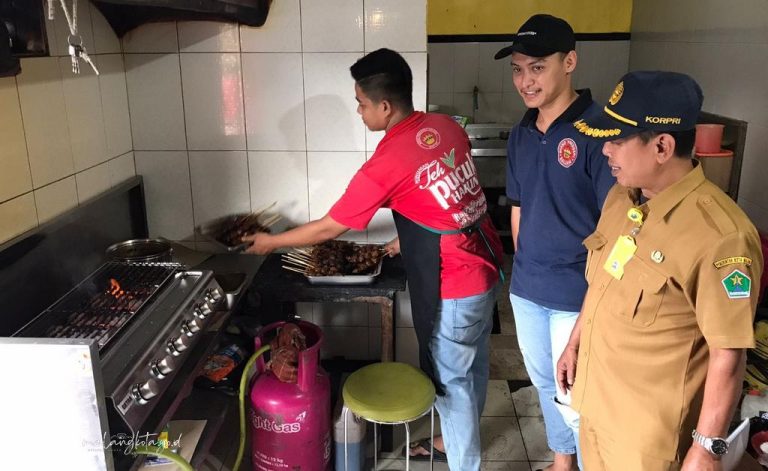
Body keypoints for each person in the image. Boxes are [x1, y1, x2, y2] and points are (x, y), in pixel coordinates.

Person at [243, 48, 503, 470]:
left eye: (362, 104)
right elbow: (444, 202)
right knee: (471, 374)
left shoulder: (387, 162)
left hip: (453, 287)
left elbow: (331, 227)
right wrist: (403, 243)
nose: (360, 113)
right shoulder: (444, 126)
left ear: (384, 105)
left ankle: (463, 462)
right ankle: (453, 443)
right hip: (485, 271)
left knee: (453, 385)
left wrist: (270, 243)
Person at [557, 70, 763, 471]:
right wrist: (575, 340)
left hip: (645, 440)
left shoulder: (721, 237)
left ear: (663, 146)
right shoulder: (622, 199)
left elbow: (728, 353)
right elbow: (605, 279)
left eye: (616, 140)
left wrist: (706, 448)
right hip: (595, 405)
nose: (604, 151)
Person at [495, 13, 615, 471]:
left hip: (576, 294)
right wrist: (524, 269)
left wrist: (593, 304)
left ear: (570, 62)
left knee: (580, 394)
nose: (526, 80)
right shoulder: (523, 132)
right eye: (518, 69)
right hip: (528, 290)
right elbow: (519, 207)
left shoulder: (599, 129)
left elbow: (614, 226)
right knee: (547, 384)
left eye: (537, 67)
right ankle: (563, 462)